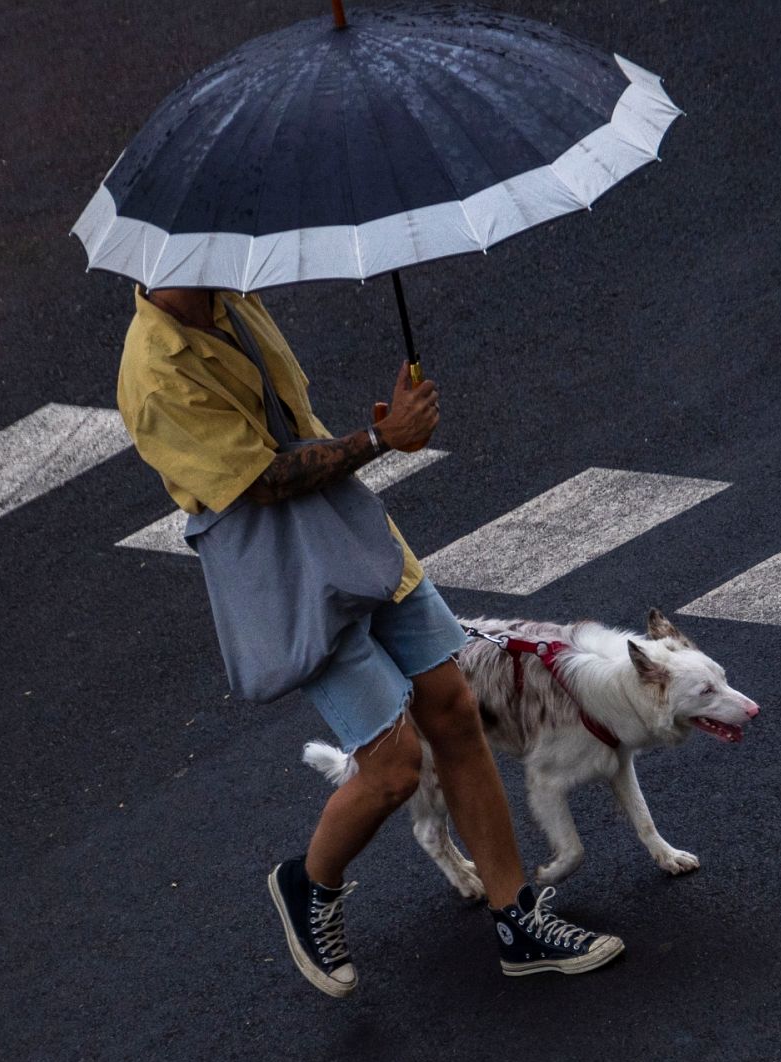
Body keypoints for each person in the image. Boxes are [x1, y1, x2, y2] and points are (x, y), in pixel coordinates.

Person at [116, 284, 622, 997]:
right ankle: (307, 880)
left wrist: (376, 428)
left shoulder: (232, 299)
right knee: (392, 765)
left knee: (453, 707)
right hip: (283, 570)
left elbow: (292, 420)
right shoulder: (153, 373)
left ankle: (517, 920)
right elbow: (261, 480)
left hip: (350, 533)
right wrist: (381, 439)